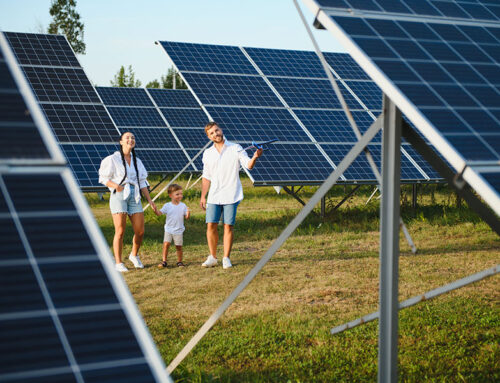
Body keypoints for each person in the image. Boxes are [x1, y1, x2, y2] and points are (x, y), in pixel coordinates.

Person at [200, 121, 263, 269]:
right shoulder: (208, 153)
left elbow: (248, 165)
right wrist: (203, 196)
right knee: (211, 225)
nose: (216, 134)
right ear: (209, 137)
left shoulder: (236, 148)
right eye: (212, 133)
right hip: (214, 195)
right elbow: (206, 176)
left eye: (216, 130)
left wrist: (255, 156)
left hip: (231, 194)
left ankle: (226, 258)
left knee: (228, 226)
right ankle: (213, 257)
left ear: (221, 130)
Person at [98, 131, 158, 272]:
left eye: (133, 138)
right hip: (119, 194)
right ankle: (118, 262)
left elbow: (142, 181)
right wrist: (116, 186)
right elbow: (103, 178)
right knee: (120, 230)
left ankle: (134, 255)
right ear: (121, 142)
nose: (130, 139)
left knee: (140, 231)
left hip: (135, 194)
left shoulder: (137, 161)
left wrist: (150, 200)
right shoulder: (112, 159)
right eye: (127, 138)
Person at [155, 184, 190, 268]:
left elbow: (187, 217)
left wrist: (188, 213)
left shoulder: (183, 206)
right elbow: (159, 213)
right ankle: (164, 261)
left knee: (178, 246)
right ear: (170, 195)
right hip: (168, 229)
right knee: (166, 244)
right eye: (177, 194)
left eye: (181, 194)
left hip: (178, 230)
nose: (180, 196)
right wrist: (155, 210)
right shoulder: (167, 206)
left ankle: (179, 262)